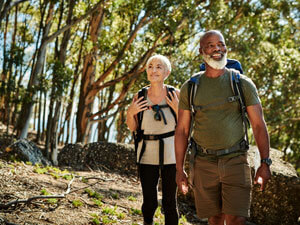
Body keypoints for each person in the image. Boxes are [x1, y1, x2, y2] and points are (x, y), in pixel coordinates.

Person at [175, 30, 272, 225]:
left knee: (236, 219)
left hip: (236, 160)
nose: (217, 48)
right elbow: (182, 130)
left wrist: (265, 162)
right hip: (203, 162)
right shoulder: (191, 87)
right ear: (202, 51)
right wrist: (179, 169)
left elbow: (258, 124)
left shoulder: (242, 83)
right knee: (215, 219)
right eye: (211, 45)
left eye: (221, 44)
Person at [126, 54, 180, 225]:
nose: (153, 70)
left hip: (171, 155)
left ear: (167, 72)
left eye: (158, 66)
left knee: (169, 202)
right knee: (149, 201)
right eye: (150, 66)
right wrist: (130, 112)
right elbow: (133, 127)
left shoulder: (175, 94)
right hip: (146, 154)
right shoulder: (140, 95)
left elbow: (186, 125)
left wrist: (178, 109)